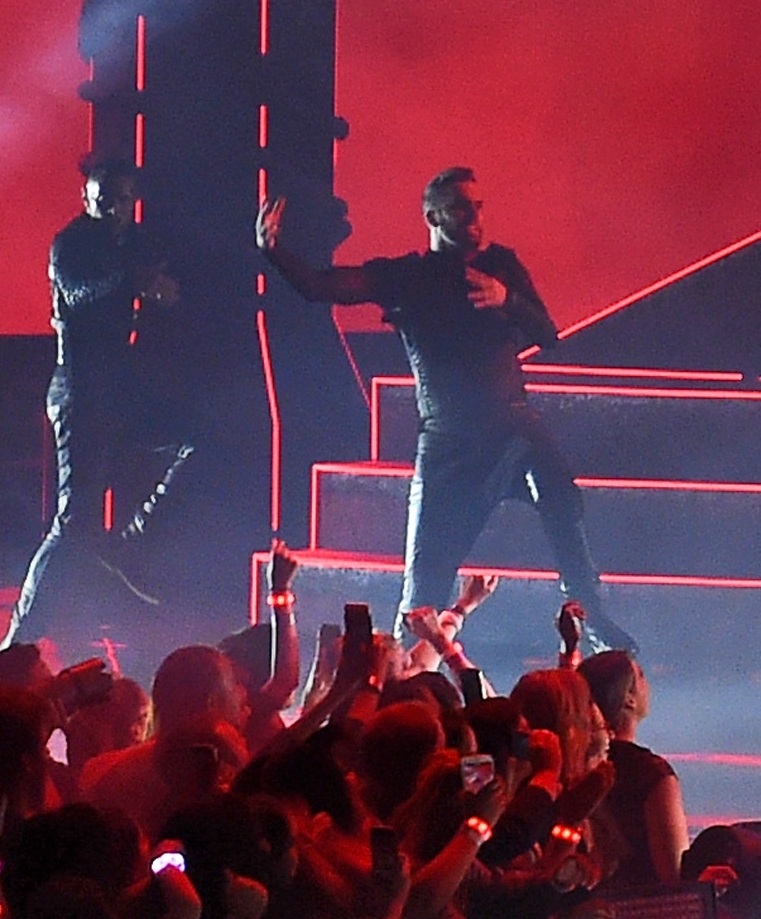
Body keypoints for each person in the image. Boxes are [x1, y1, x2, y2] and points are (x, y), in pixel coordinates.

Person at [273, 166, 637, 661]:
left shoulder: (501, 266)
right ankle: (398, 674)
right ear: (433, 217)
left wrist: (508, 299)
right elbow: (322, 286)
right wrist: (274, 251)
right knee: (424, 584)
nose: (475, 218)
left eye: (478, 207)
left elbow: (546, 333)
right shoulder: (408, 277)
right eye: (462, 209)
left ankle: (590, 615)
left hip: (513, 426)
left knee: (560, 496)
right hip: (450, 444)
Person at [10, 161, 198, 650]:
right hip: (79, 390)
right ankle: (19, 638)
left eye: (120, 199)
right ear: (86, 197)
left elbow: (168, 282)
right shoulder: (70, 244)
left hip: (121, 391)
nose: (112, 208)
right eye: (103, 199)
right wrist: (134, 280)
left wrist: (164, 288)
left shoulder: (134, 241)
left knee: (195, 441)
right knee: (74, 522)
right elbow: (80, 293)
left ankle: (128, 544)